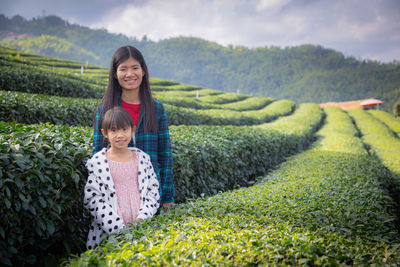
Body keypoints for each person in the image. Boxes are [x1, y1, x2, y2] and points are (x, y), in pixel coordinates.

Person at [92, 45, 174, 211]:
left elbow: (165, 156)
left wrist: (166, 196)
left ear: (143, 71)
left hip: (149, 196)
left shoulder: (157, 109)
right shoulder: (105, 109)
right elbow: (97, 154)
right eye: (123, 69)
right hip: (115, 197)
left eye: (135, 68)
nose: (130, 74)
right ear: (115, 74)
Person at [84, 107, 160, 249]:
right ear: (104, 133)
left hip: (141, 228)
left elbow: (152, 191)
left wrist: (142, 218)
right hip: (108, 232)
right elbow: (93, 199)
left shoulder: (143, 159)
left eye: (124, 129)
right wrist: (118, 228)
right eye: (113, 130)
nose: (120, 135)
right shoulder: (97, 163)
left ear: (133, 130)